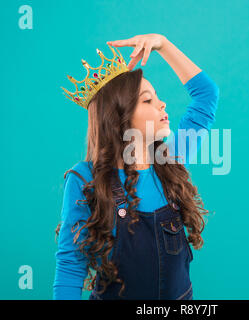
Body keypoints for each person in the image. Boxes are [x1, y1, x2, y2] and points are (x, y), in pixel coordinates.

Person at [53, 33, 220, 300]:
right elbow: (71, 267)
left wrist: (163, 44)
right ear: (118, 118)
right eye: (147, 100)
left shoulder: (169, 162)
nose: (162, 103)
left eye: (157, 97)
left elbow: (206, 96)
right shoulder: (86, 179)